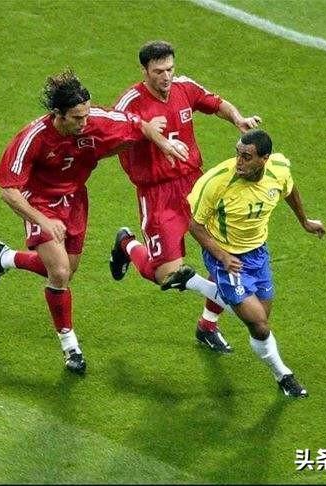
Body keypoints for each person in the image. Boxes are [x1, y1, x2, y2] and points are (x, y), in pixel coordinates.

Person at [0, 70, 187, 374]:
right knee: (60, 272)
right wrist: (43, 221)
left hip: (75, 200)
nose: (85, 122)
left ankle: (5, 258)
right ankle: (71, 347)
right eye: (78, 118)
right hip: (40, 202)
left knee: (66, 269)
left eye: (87, 114)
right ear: (58, 114)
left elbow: (138, 125)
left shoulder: (95, 120)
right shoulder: (32, 137)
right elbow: (8, 191)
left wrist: (163, 143)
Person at [108, 40, 262, 353]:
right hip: (158, 193)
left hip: (196, 185)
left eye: (169, 69)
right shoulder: (129, 102)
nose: (166, 76)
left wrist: (238, 119)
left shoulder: (184, 87)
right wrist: (145, 132)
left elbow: (216, 103)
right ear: (144, 71)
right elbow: (111, 140)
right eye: (158, 71)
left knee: (227, 254)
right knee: (166, 274)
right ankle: (127, 243)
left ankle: (208, 325)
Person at [186, 129, 325, 397]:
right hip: (225, 256)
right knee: (259, 324)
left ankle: (193, 284)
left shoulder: (279, 170)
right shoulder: (216, 182)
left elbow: (289, 189)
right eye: (238, 153)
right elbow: (195, 225)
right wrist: (222, 256)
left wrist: (305, 221)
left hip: (258, 254)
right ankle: (283, 375)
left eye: (247, 157)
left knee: (261, 315)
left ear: (264, 159)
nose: (239, 161)